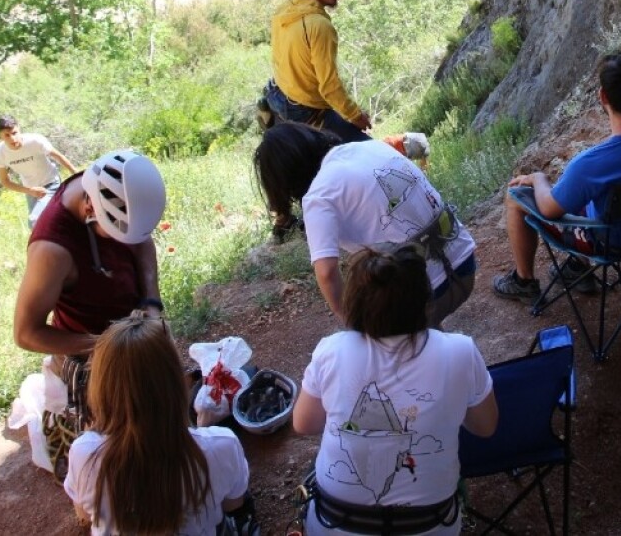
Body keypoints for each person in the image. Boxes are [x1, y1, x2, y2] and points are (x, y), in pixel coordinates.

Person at [293, 244, 498, 536]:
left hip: (335, 522)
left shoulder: (332, 350)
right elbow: (486, 426)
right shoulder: (460, 351)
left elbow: (304, 423)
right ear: (426, 301)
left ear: (354, 304)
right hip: (430, 525)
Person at [493, 54, 621, 301]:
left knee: (516, 196)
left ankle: (524, 281)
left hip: (607, 243)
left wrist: (539, 179)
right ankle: (575, 269)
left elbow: (549, 210)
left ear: (603, 97)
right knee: (594, 194)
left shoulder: (590, 164)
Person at [254, 122, 478, 329]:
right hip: (464, 264)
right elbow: (416, 150)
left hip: (429, 296)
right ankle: (431, 344)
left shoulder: (318, 196)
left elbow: (326, 273)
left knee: (377, 326)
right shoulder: (368, 147)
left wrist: (354, 326)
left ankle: (418, 351)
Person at [63, 313, 256, 536]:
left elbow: (84, 514)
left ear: (100, 390)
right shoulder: (221, 447)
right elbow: (233, 504)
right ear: (175, 383)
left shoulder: (84, 455)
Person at [12, 149, 167, 360]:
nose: (123, 243)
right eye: (116, 235)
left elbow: (141, 241)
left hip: (134, 337)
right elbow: (26, 334)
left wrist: (151, 302)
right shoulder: (52, 252)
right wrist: (108, 345)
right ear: (90, 210)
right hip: (90, 359)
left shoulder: (115, 187)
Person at [266, 0, 372, 144]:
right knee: (368, 151)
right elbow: (329, 87)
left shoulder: (285, 10)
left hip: (278, 94)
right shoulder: (319, 25)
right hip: (305, 110)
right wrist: (356, 116)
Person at [0, 115, 75, 228]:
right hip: (30, 190)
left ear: (19, 130)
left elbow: (58, 156)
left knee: (35, 221)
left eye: (14, 133)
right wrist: (29, 190)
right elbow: (5, 181)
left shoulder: (35, 140)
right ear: (0, 137)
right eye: (7, 135)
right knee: (39, 227)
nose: (12, 138)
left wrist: (77, 174)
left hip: (50, 183)